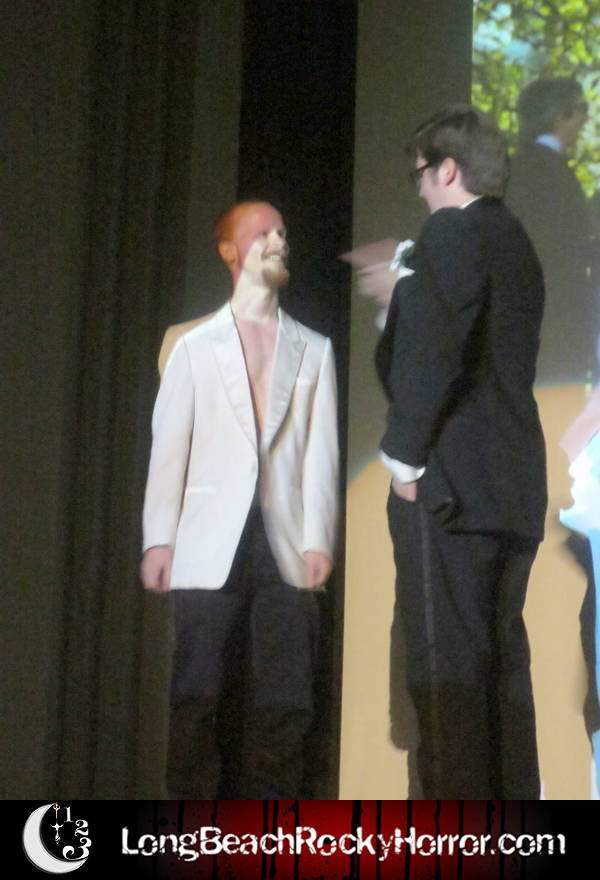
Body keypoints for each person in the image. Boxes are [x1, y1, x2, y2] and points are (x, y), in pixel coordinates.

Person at [375, 105, 547, 798]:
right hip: (511, 492)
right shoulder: (516, 240)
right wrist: (409, 296)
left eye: (420, 174)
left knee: (448, 683)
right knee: (503, 679)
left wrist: (403, 460)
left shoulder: (451, 231)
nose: (419, 189)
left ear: (447, 170)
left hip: (451, 492)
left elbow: (431, 353)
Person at [140, 200, 339, 799]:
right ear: (229, 251)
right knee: (197, 692)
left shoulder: (314, 348)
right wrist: (159, 538)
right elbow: (169, 446)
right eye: (262, 233)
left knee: (285, 700)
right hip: (208, 539)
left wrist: (318, 538)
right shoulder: (193, 345)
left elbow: (321, 455)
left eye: (282, 231)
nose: (278, 240)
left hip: (283, 540)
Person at [507, 77, 595, 385]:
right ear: (559, 115)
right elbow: (563, 247)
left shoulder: (516, 168)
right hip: (556, 324)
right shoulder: (551, 172)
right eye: (581, 109)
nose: (585, 119)